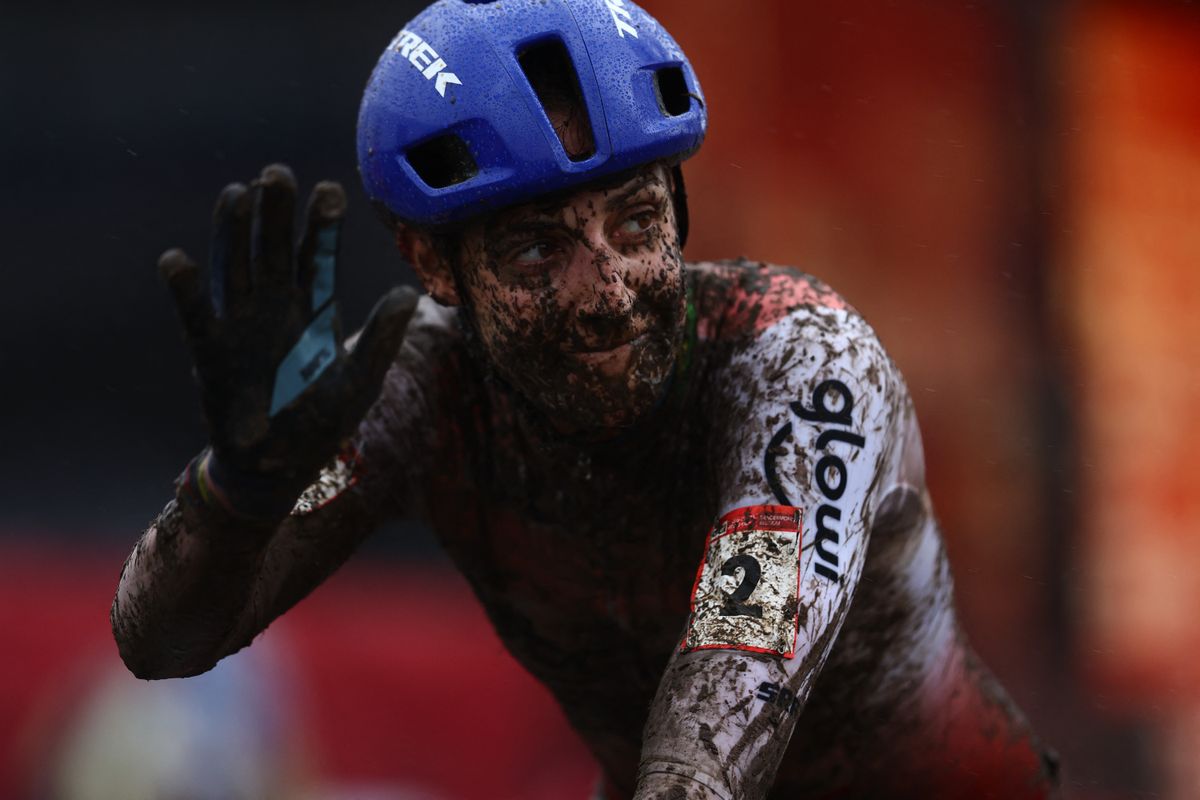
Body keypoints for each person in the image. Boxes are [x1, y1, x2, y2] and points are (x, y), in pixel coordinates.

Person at [111, 1, 1061, 798]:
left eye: (636, 221)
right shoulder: (418, 384)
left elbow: (720, 722)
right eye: (537, 250)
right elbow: (159, 644)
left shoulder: (801, 367)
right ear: (431, 261)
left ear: (680, 211)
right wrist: (236, 498)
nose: (607, 293)